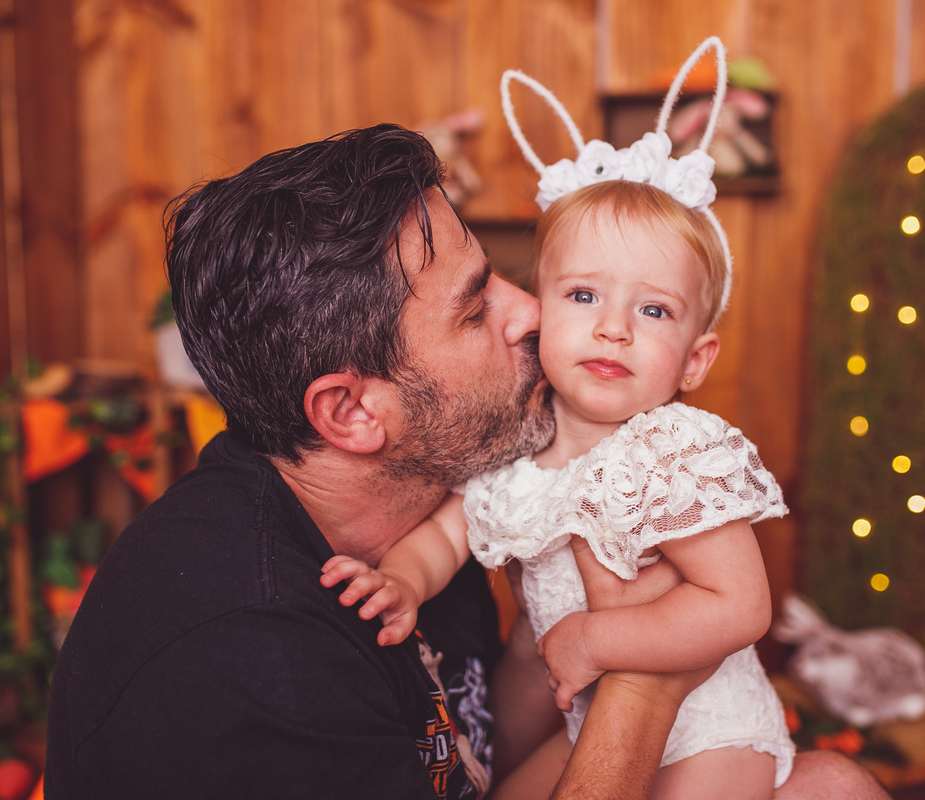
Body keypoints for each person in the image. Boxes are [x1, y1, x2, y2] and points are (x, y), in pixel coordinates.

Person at [44, 121, 890, 799]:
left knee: (832, 784)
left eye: (503, 276)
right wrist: (644, 683)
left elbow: (472, 753)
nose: (532, 312)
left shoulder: (430, 493)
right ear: (350, 411)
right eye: (475, 306)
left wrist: (548, 640)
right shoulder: (248, 670)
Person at [319, 41, 792, 800]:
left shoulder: (672, 452)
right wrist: (403, 581)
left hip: (712, 732)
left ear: (696, 361)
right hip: (589, 724)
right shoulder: (518, 446)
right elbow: (449, 531)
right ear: (536, 306)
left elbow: (741, 605)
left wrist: (594, 637)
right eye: (582, 296)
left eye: (653, 309)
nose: (613, 329)